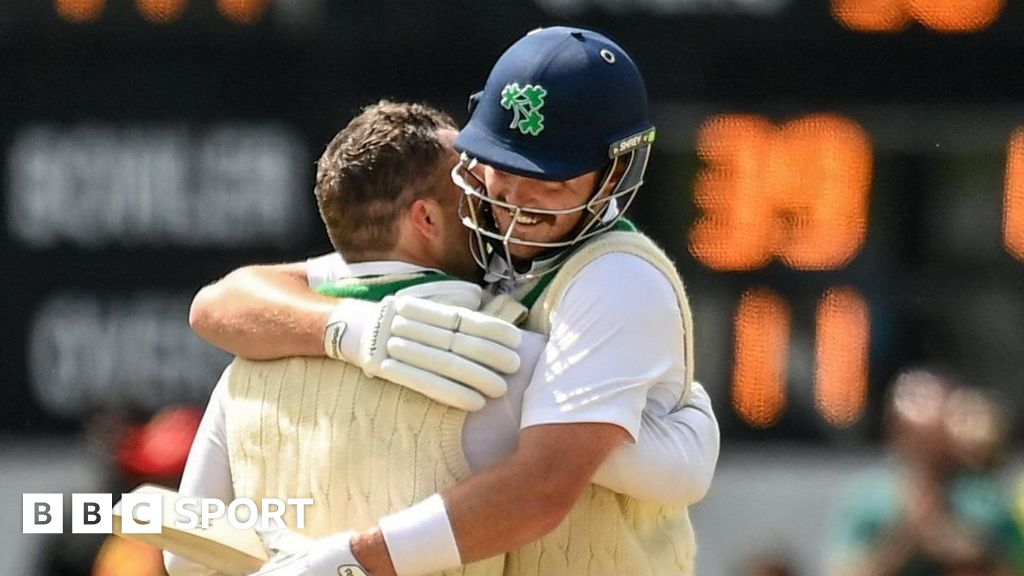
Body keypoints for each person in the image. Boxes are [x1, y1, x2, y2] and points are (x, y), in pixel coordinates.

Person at [174, 91, 717, 575]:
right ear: (426, 221)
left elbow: (183, 553)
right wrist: (687, 422)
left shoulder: (242, 374)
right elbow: (649, 474)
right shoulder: (494, 355)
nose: (494, 198)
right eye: (470, 185)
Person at [828, 369, 1024, 576]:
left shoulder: (983, 498)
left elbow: (1008, 566)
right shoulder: (872, 498)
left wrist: (960, 545)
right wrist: (911, 535)